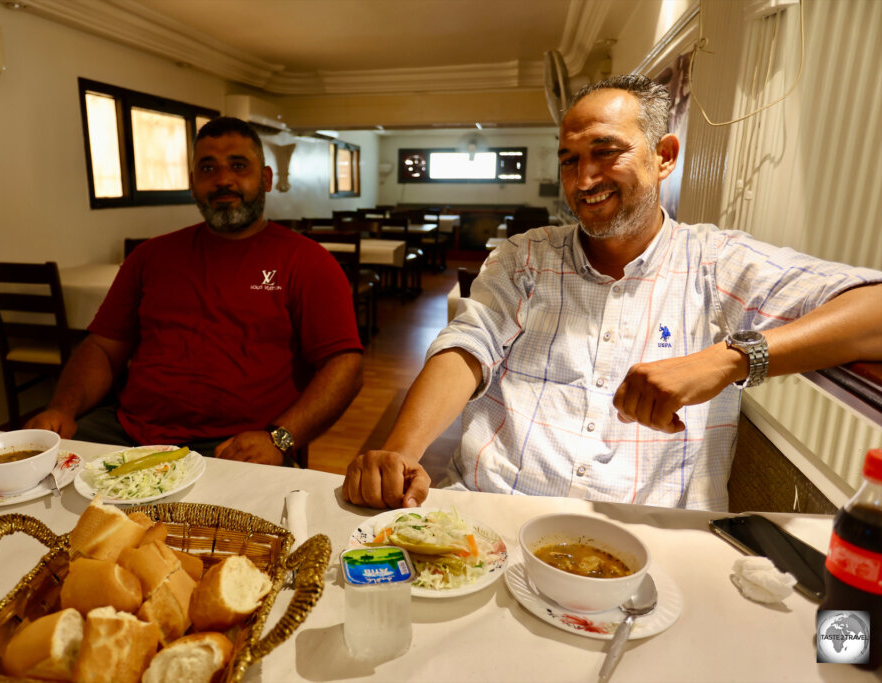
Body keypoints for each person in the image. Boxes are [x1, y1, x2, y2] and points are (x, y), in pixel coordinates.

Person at [344, 75, 882, 510]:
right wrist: (399, 453)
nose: (583, 180)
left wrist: (730, 359)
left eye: (606, 152)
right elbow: (467, 343)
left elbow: (873, 310)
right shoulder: (525, 258)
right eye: (570, 160)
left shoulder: (715, 263)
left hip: (653, 539)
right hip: (497, 516)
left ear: (664, 156)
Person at [27, 117, 364, 466]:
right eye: (208, 168)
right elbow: (102, 347)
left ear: (265, 178)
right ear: (193, 183)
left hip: (236, 445)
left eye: (238, 165)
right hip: (128, 433)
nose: (223, 180)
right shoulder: (151, 256)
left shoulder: (307, 261)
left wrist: (280, 439)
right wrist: (61, 409)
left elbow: (346, 366)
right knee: (27, 487)